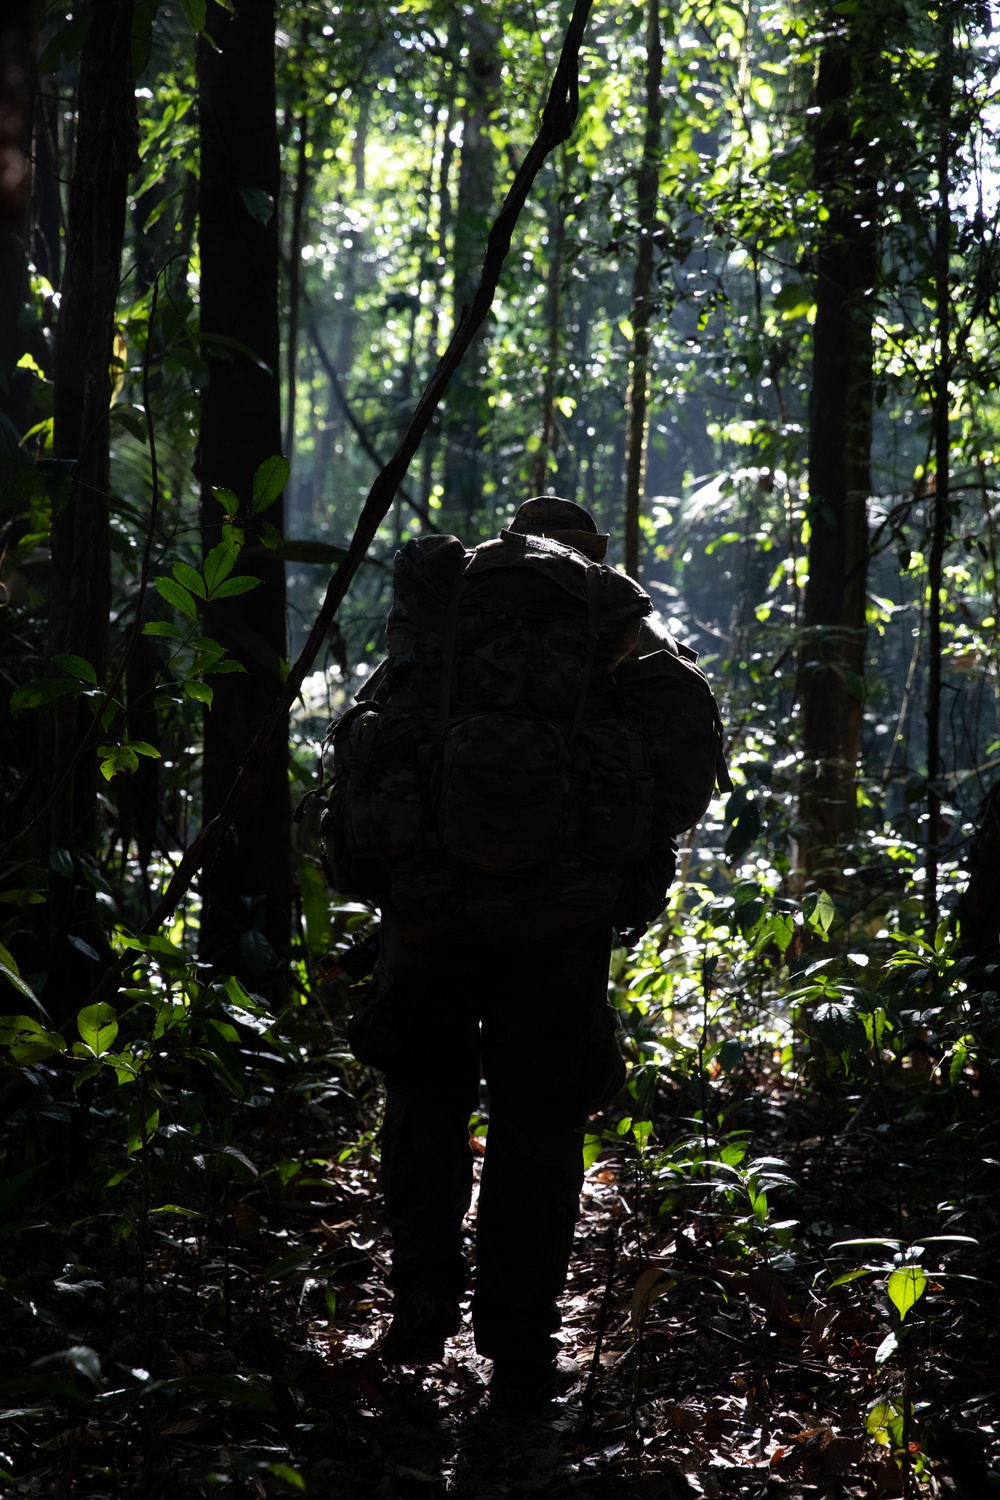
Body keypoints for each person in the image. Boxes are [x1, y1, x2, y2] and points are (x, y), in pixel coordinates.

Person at [335, 497, 688, 1409]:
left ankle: (421, 1294)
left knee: (424, 1093)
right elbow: (673, 773)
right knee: (539, 1122)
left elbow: (365, 767)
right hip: (558, 927)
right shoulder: (611, 639)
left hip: (432, 913)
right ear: (590, 560)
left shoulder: (448, 630)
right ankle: (521, 1342)